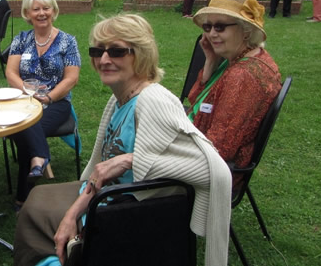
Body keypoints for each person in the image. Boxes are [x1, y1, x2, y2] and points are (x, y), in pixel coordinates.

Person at [13, 14, 232, 266]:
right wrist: (75, 209)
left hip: (130, 210)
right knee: (37, 198)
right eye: (98, 50)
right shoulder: (119, 99)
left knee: (39, 212)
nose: (103, 60)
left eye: (117, 51)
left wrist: (130, 160)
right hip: (109, 194)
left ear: (140, 55)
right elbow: (101, 170)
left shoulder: (153, 101)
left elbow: (214, 169)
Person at [188, 0, 282, 190]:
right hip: (202, 150)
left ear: (246, 30)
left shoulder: (243, 76)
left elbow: (220, 148)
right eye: (208, 26)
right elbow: (195, 100)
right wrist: (210, 62)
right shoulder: (233, 59)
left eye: (220, 27)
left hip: (213, 172)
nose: (212, 34)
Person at [6, 0, 81, 208]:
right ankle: (39, 160)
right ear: (27, 13)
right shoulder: (21, 39)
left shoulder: (68, 41)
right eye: (36, 9)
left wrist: (47, 98)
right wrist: (29, 94)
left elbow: (71, 78)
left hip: (56, 103)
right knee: (25, 126)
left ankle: (23, 198)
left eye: (46, 8)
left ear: (54, 11)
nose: (41, 13)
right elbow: (11, 73)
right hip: (23, 101)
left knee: (23, 129)